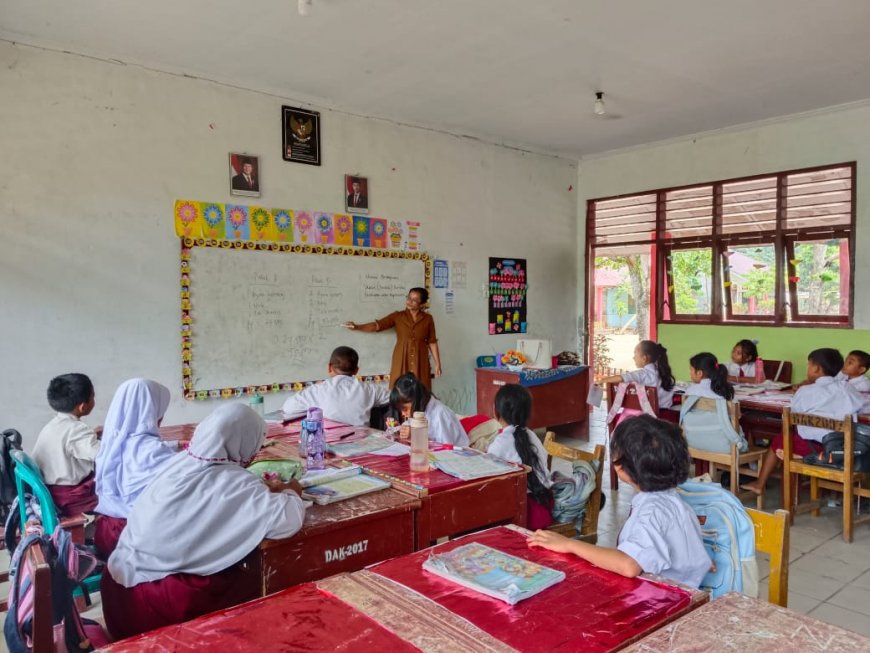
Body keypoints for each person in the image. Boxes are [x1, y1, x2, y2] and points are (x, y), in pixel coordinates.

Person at [101, 403, 306, 640]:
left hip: (118, 593)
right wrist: (292, 491)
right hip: (161, 604)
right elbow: (288, 520)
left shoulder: (178, 464)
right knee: (264, 585)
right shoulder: (235, 482)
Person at [529, 415, 711, 588]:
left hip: (665, 600)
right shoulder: (672, 500)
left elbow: (629, 565)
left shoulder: (652, 510)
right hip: (684, 590)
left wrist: (569, 544)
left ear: (621, 467)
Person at [741, 348, 865, 495]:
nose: (808, 369)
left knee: (780, 438)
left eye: (809, 365)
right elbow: (860, 404)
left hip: (812, 448)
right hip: (842, 448)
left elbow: (793, 416)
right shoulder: (847, 389)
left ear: (817, 368)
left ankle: (760, 484)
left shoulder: (806, 391)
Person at [93, 378, 174, 558]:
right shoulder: (152, 451)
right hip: (136, 541)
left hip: (106, 533)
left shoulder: (111, 443)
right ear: (151, 411)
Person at [344, 287, 442, 392]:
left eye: (414, 300)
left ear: (422, 304)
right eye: (409, 298)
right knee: (400, 390)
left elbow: (432, 342)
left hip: (421, 358)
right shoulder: (398, 316)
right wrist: (357, 327)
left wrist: (437, 364)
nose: (409, 301)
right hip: (401, 357)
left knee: (421, 390)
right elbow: (377, 326)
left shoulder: (428, 319)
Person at [31, 373, 101, 516]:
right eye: (93, 396)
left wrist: (92, 435)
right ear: (82, 406)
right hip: (71, 499)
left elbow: (70, 444)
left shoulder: (54, 425)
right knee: (117, 497)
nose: (94, 399)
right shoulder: (77, 430)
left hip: (51, 492)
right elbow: (103, 454)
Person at [487, 384, 552, 529]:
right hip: (544, 505)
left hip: (523, 514)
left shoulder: (498, 445)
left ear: (496, 413)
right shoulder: (532, 435)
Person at [281, 346, 390, 426]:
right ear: (356, 370)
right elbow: (393, 397)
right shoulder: (369, 389)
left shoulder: (318, 390)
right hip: (364, 445)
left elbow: (288, 408)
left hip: (330, 448)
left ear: (329, 367)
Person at [680, 352, 746, 455]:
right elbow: (738, 415)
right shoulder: (726, 390)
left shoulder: (690, 391)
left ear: (699, 373)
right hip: (725, 446)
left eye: (691, 370)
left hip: (694, 442)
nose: (690, 373)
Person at [388, 373, 467, 446]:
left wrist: (416, 435)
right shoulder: (419, 410)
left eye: (405, 409)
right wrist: (398, 429)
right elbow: (410, 426)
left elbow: (445, 448)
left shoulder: (440, 414)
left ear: (416, 400)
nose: (403, 414)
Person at [600, 340, 676, 409]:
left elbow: (621, 378)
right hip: (666, 414)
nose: (633, 357)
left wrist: (602, 380)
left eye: (635, 354)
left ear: (644, 358)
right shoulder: (663, 372)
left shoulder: (643, 374)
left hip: (650, 416)